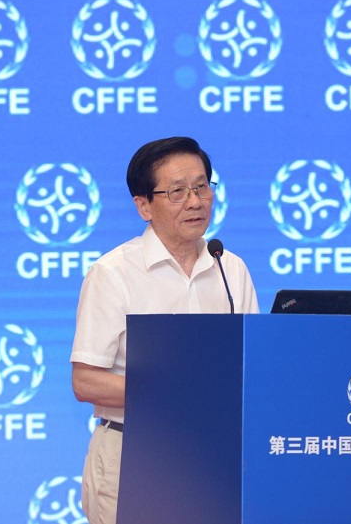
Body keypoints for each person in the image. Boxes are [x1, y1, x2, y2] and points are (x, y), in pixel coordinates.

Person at [70, 136, 260, 524]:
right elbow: (86, 381)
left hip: (214, 455)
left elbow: (253, 365)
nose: (195, 201)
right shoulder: (113, 273)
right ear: (143, 205)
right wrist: (175, 391)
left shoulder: (230, 268)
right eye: (177, 191)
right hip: (134, 449)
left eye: (202, 186)